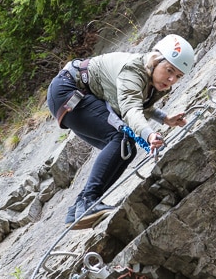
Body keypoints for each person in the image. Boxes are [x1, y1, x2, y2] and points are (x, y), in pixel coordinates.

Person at [46, 34, 195, 229]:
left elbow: (137, 102)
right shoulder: (133, 71)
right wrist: (149, 134)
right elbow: (131, 109)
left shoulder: (152, 80)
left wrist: (164, 118)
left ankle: (78, 209)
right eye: (169, 70)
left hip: (71, 94)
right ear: (155, 60)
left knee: (126, 150)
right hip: (68, 90)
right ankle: (89, 202)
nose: (171, 79)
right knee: (120, 138)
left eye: (178, 76)